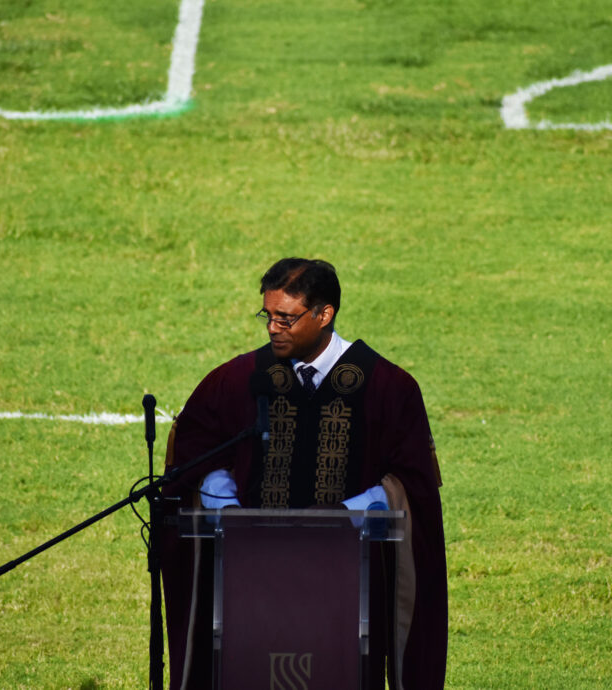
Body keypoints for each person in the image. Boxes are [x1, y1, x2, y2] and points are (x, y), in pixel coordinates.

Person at [159, 258, 446, 689]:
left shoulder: (387, 388)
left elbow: (412, 484)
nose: (273, 328)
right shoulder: (239, 380)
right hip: (251, 576)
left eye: (286, 318)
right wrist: (230, 509)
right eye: (267, 316)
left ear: (324, 314)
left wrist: (344, 514)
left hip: (350, 581)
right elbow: (192, 456)